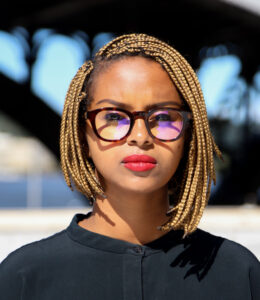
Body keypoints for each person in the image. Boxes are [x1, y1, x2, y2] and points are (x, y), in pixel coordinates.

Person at [0, 33, 259, 299]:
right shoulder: (23, 278)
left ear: (188, 137)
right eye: (113, 116)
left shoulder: (239, 273)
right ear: (82, 135)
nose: (140, 136)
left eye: (163, 117)